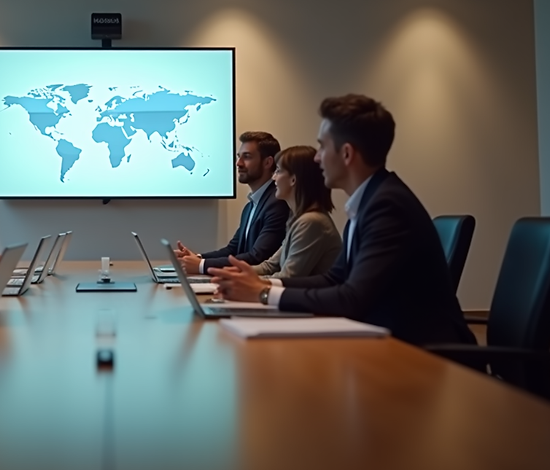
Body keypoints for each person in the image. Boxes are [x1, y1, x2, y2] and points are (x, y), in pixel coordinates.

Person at [210, 95, 475, 347]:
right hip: (390, 341)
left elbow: (351, 299)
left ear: (346, 154)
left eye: (322, 146)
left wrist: (263, 293)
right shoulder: (370, 200)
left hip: (422, 355)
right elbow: (333, 279)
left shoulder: (387, 206)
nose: (316, 157)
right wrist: (262, 284)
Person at [175, 131, 290, 273]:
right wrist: (197, 258)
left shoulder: (277, 204)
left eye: (247, 157)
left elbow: (257, 257)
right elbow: (233, 250)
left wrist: (201, 265)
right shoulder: (250, 206)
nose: (238, 163)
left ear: (267, 162)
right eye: (238, 157)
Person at [251, 145, 342, 279]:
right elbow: (270, 266)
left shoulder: (311, 222)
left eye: (278, 171)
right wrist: (235, 273)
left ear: (293, 179)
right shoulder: (298, 218)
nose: (273, 177)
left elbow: (288, 278)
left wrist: (246, 280)